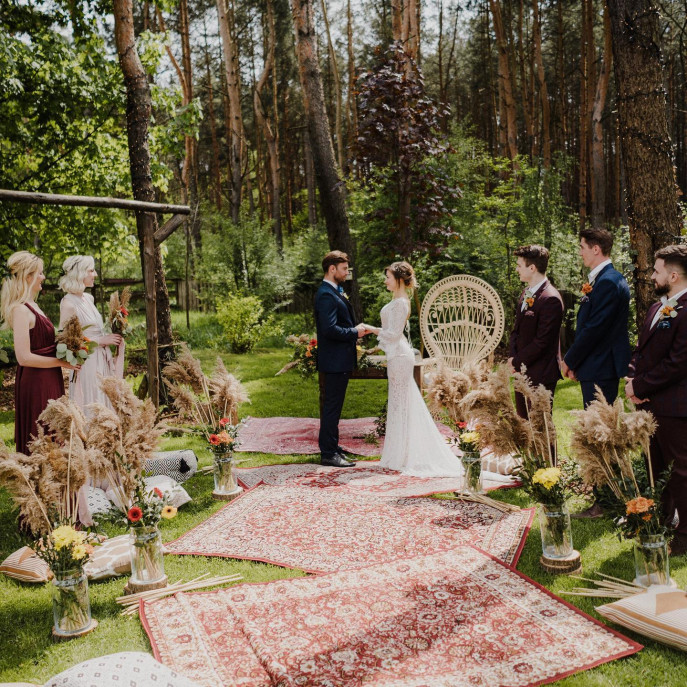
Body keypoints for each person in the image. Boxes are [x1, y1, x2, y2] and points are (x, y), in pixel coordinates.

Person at [364, 262, 463, 478]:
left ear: (399, 279)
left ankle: (403, 454)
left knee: (401, 403)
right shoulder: (397, 301)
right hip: (397, 356)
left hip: (400, 357)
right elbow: (391, 333)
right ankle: (398, 452)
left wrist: (370, 329)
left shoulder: (401, 303)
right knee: (399, 403)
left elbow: (393, 335)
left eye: (388, 277)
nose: (385, 280)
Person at [562, 227, 631, 519]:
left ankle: (605, 502)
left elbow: (594, 329)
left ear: (596, 249)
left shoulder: (608, 282)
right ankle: (609, 496)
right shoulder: (603, 280)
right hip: (597, 365)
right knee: (600, 431)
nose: (580, 251)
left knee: (600, 433)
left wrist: (570, 359)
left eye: (582, 247)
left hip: (601, 367)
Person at [625, 245, 687, 556]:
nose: (652, 276)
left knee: (680, 470)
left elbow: (678, 363)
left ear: (673, 276)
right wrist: (632, 378)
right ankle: (660, 521)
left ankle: (685, 534)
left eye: (657, 271)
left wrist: (642, 384)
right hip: (649, 401)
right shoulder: (656, 307)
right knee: (655, 466)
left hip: (676, 406)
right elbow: (641, 351)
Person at [0, 251, 78, 454]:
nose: (43, 277)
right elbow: (23, 357)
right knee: (41, 436)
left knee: (55, 434)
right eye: (40, 273)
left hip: (49, 377)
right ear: (28, 276)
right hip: (36, 382)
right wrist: (60, 362)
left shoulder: (34, 305)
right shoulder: (20, 310)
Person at [314, 251, 368, 468]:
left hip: (339, 360)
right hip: (334, 361)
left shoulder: (335, 291)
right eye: (344, 268)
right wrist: (355, 332)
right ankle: (328, 453)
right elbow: (329, 329)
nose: (347, 272)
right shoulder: (326, 294)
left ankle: (333, 447)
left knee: (334, 407)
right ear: (332, 269)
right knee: (331, 408)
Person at [59, 255, 124, 413]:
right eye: (91, 270)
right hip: (87, 363)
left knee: (106, 401)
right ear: (79, 273)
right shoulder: (68, 304)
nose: (95, 274)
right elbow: (65, 344)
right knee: (93, 404)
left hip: (102, 360)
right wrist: (101, 340)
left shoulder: (88, 298)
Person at [508, 245, 564, 420]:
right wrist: (512, 359)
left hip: (540, 373)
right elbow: (516, 331)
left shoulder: (551, 299)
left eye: (519, 265)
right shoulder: (526, 293)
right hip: (522, 370)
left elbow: (542, 342)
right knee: (524, 427)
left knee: (541, 429)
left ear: (532, 268)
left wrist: (517, 361)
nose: (516, 269)